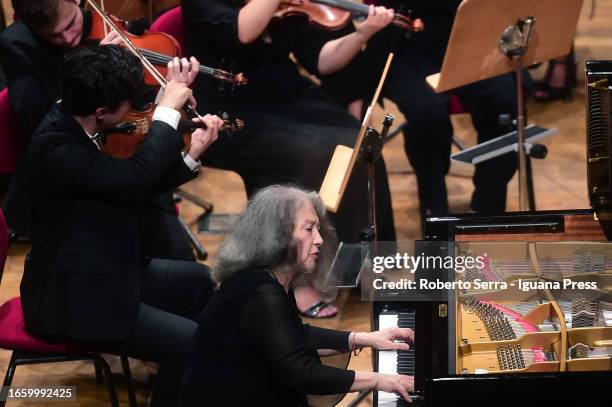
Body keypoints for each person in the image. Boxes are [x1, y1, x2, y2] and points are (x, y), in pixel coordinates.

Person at [21, 44, 223, 406]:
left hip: (107, 270)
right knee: (192, 346)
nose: (133, 111)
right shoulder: (57, 148)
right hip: (73, 299)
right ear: (101, 112)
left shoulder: (74, 122)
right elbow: (136, 175)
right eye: (126, 105)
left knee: (201, 282)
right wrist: (164, 114)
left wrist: (190, 156)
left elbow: (128, 188)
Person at [181, 0, 397, 317]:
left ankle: (365, 260)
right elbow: (241, 32)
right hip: (228, 110)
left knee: (362, 144)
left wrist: (362, 33)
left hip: (285, 94)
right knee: (311, 152)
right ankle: (297, 278)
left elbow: (319, 60)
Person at [179, 185, 414, 406]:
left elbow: (295, 336)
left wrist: (363, 338)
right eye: (309, 229)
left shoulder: (270, 279)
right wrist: (381, 380)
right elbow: (300, 372)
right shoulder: (262, 294)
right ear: (279, 236)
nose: (320, 240)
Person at [0, 0, 199, 260]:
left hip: (129, 149)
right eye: (53, 35)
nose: (68, 38)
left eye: (71, 24)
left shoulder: (108, 22)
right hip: (72, 173)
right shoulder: (17, 43)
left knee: (177, 255)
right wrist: (91, 71)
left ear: (76, 1)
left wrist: (166, 92)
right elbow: (33, 119)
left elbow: (138, 103)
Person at [322, 0, 518, 225]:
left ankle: (487, 203)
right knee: (427, 114)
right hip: (403, 45)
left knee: (504, 101)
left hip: (464, 36)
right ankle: (436, 212)